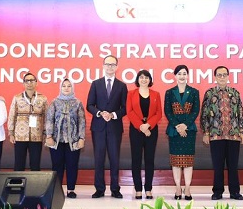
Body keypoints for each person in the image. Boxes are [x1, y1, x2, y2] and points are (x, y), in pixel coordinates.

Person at [201, 66, 243, 200]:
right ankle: (217, 192)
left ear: (228, 76)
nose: (222, 77)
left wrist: (242, 131)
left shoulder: (235, 93)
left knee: (233, 166)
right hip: (216, 135)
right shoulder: (210, 93)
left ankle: (235, 192)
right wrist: (206, 132)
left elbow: (240, 113)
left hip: (233, 134)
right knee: (218, 166)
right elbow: (204, 114)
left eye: (224, 75)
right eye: (219, 75)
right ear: (215, 77)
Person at [86, 55, 128, 198]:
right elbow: (89, 105)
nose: (110, 67)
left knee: (114, 159)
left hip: (114, 127)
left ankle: (115, 189)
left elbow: (125, 108)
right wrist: (99, 113)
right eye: (107, 64)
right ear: (103, 66)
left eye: (113, 64)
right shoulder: (95, 84)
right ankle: (99, 189)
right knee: (99, 159)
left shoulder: (122, 86)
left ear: (117, 67)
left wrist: (113, 114)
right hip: (98, 127)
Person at [45, 79, 86, 199]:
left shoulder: (78, 103)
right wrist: (49, 136)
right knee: (57, 165)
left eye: (69, 86)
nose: (66, 88)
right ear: (60, 88)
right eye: (64, 86)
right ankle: (57, 190)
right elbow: (49, 119)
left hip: (73, 141)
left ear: (72, 88)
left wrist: (81, 138)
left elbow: (82, 121)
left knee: (72, 164)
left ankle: (71, 190)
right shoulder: (54, 102)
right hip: (56, 140)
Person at [164, 64, 200, 201]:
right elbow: (167, 111)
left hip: (189, 130)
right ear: (175, 76)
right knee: (176, 161)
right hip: (174, 130)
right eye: (179, 74)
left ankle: (188, 188)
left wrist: (185, 125)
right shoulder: (169, 92)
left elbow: (195, 110)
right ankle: (178, 187)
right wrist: (178, 126)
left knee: (188, 161)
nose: (182, 76)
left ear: (188, 75)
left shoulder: (194, 92)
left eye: (184, 73)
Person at [126, 69, 162, 200]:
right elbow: (129, 111)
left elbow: (158, 113)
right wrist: (141, 126)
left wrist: (148, 125)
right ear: (137, 80)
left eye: (146, 77)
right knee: (136, 159)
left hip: (151, 131)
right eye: (141, 77)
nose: (144, 79)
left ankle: (148, 189)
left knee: (149, 160)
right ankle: (137, 189)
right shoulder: (131, 93)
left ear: (150, 80)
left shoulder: (156, 94)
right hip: (136, 130)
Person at [8, 72, 48, 171]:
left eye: (32, 80)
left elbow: (47, 117)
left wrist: (46, 133)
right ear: (23, 83)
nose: (29, 83)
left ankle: (34, 181)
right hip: (20, 135)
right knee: (19, 163)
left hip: (37, 135)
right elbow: (12, 115)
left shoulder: (43, 98)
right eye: (27, 81)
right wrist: (11, 133)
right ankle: (17, 181)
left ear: (36, 83)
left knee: (35, 163)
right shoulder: (17, 98)